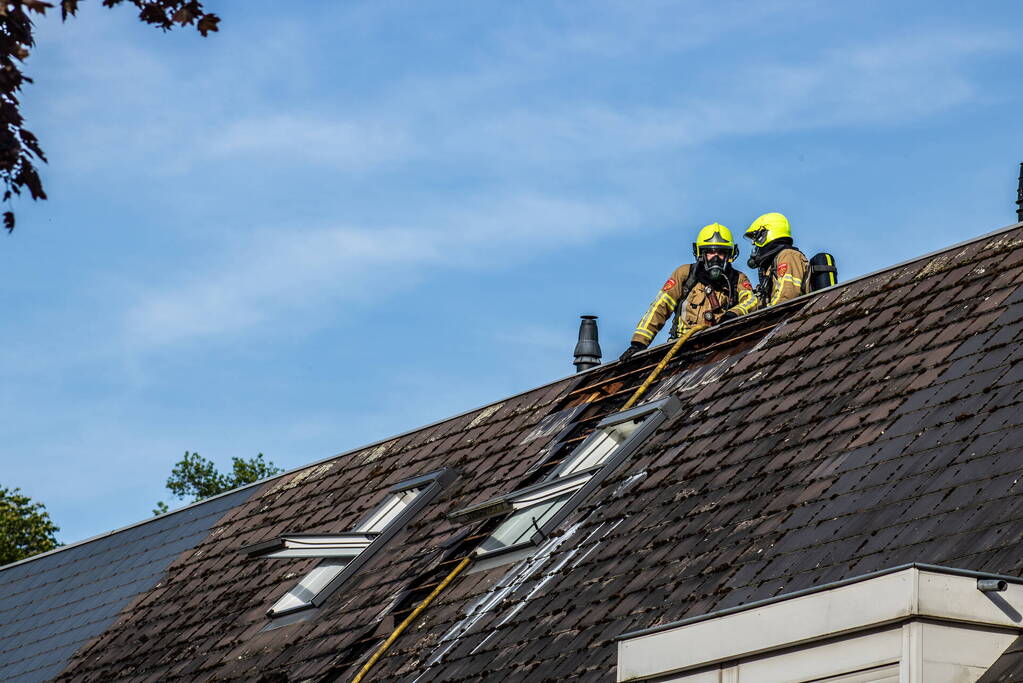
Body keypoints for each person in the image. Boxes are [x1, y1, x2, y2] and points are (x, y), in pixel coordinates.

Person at [620, 223, 756, 361]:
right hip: (682, 349)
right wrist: (639, 343)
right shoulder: (685, 274)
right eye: (710, 252)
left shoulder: (738, 279)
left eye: (721, 253)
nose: (716, 258)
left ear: (730, 255)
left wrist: (734, 314)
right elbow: (660, 307)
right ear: (700, 254)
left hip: (718, 349)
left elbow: (752, 301)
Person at [742, 212, 810, 311]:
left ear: (764, 235)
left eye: (756, 239)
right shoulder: (772, 265)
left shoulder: (788, 255)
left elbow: (787, 296)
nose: (754, 244)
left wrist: (765, 317)